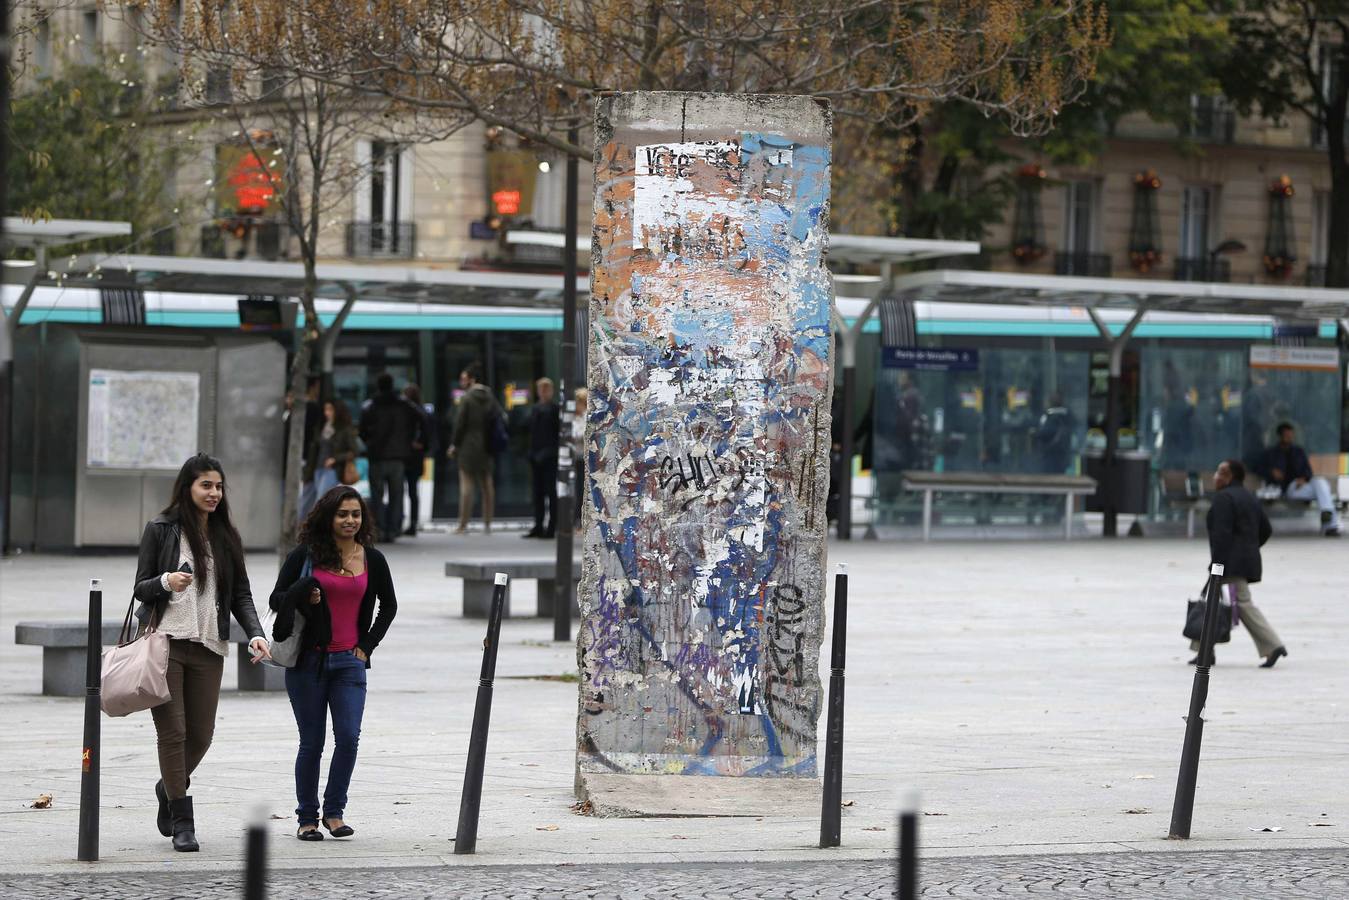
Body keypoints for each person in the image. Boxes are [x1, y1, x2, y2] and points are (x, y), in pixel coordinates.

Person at [132, 453, 271, 852]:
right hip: (166, 643)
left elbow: (241, 595)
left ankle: (168, 786)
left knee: (202, 735)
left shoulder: (227, 535)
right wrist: (165, 581)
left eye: (218, 486)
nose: (213, 493)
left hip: (209, 646)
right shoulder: (161, 528)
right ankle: (182, 819)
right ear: (187, 487)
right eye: (205, 485)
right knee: (173, 733)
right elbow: (141, 587)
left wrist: (256, 634)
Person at [269, 486, 398, 842]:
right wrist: (304, 593)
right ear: (328, 517)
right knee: (312, 742)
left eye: (356, 514)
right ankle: (307, 818)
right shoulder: (306, 556)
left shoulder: (372, 559)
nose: (350, 521)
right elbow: (277, 597)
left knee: (348, 738)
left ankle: (335, 812)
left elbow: (389, 605)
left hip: (350, 663)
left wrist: (366, 646)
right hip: (308, 663)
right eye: (343, 514)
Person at [1191, 458, 1287, 668]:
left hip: (1227, 562)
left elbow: (1222, 535)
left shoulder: (1224, 498)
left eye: (1219, 472)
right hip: (1239, 561)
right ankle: (1203, 650)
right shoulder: (1249, 497)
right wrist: (1249, 548)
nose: (1215, 476)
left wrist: (1218, 564)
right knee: (1212, 603)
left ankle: (1272, 645)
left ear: (1229, 476)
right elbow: (1266, 529)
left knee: (1240, 604)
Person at [359, 373, 420, 542]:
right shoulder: (404, 405)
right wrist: (415, 441)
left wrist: (370, 442)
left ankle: (378, 528)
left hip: (377, 456)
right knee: (396, 494)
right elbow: (423, 419)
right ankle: (393, 529)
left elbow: (362, 431)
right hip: (398, 457)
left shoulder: (370, 406)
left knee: (377, 494)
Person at [1255, 422, 1342, 536]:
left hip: (1302, 486)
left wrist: (1304, 478)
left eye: (1291, 435)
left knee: (1320, 482)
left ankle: (1327, 514)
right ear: (1280, 436)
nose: (1289, 438)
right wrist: (1271, 472)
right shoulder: (1271, 453)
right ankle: (1330, 524)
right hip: (1288, 489)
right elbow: (1257, 468)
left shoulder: (1298, 451)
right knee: (1324, 493)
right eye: (1287, 435)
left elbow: (1308, 471)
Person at [449, 364, 502, 534]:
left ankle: (463, 524)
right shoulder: (490, 396)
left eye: (464, 378)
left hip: (468, 446)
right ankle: (487, 523)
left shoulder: (467, 398)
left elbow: (460, 424)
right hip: (487, 445)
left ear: (472, 380)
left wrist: (454, 444)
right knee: (487, 485)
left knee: (466, 486)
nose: (461, 382)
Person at [305, 399, 358, 518]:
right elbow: (314, 450)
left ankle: (322, 530)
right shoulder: (322, 427)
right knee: (319, 502)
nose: (327, 412)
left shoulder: (344, 429)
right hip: (317, 468)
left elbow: (354, 451)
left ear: (337, 411)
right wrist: (308, 472)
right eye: (325, 409)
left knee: (322, 501)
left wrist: (335, 459)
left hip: (332, 469)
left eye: (330, 409)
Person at [524, 377, 560, 538]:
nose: (543, 393)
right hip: (537, 454)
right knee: (537, 492)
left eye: (546, 390)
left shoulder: (554, 409)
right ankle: (538, 524)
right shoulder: (536, 409)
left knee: (550, 492)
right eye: (541, 389)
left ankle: (551, 526)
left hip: (549, 455)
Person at [400, 384, 436, 537]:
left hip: (405, 455)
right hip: (416, 457)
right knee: (413, 491)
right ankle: (413, 522)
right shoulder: (423, 412)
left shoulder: (407, 411)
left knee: (400, 490)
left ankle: (401, 520)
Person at [1032, 393, 1075, 474]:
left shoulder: (1047, 415)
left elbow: (1043, 433)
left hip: (1049, 454)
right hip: (1063, 454)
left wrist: (1035, 434)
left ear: (1050, 402)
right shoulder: (1068, 414)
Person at [571, 387, 589, 524]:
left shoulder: (586, 417)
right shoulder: (575, 417)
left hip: (586, 457)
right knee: (578, 488)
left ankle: (580, 518)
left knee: (583, 488)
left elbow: (582, 434)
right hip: (577, 456)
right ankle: (577, 518)